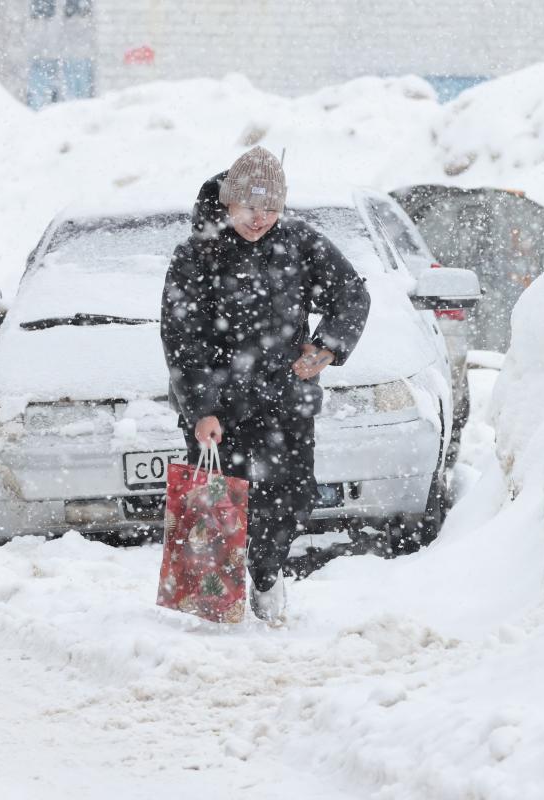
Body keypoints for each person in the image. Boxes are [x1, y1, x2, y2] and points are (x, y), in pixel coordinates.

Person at [160, 147, 371, 624]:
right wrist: (201, 409)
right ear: (229, 202)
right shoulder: (197, 252)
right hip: (221, 407)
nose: (259, 218)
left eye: (270, 208)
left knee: (292, 499)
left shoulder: (299, 242)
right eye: (250, 207)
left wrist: (328, 346)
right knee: (219, 503)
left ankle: (267, 572)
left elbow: (351, 294)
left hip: (285, 401)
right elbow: (182, 337)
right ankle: (215, 602)